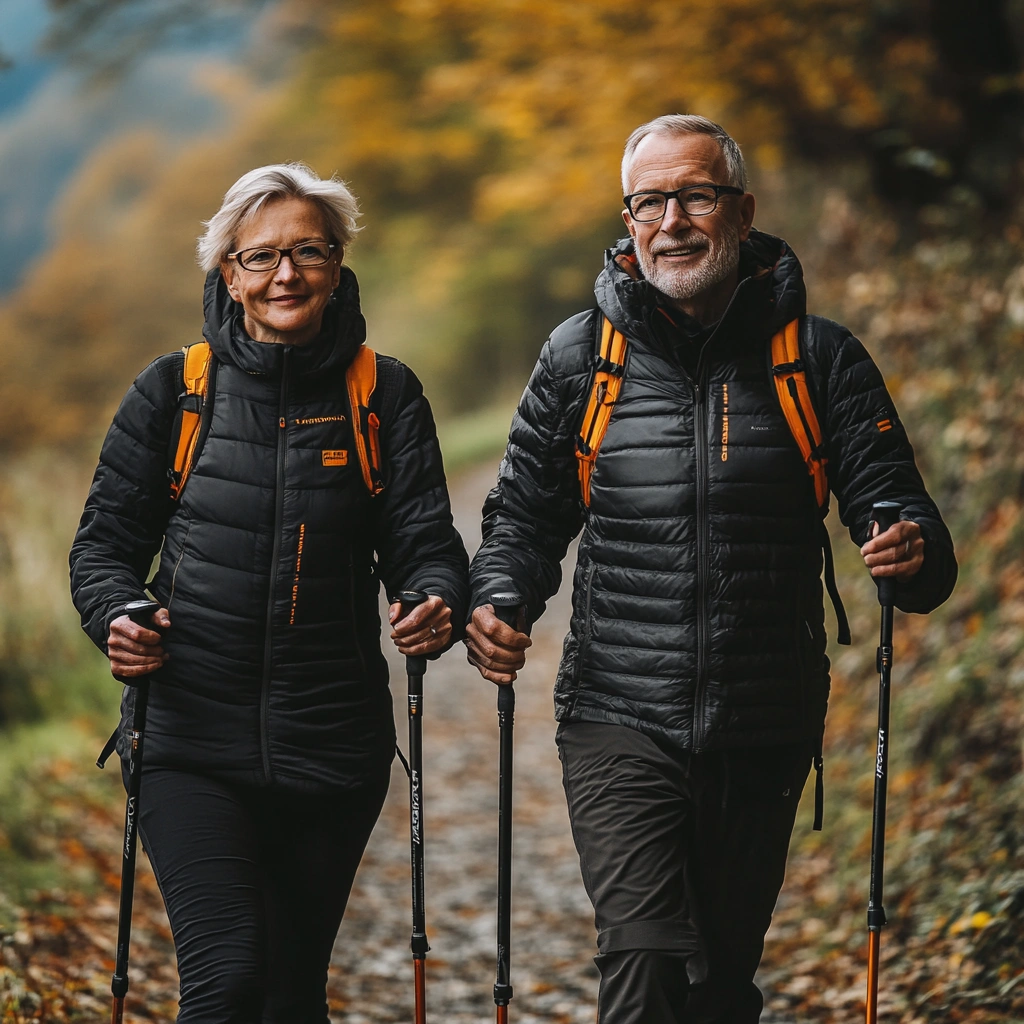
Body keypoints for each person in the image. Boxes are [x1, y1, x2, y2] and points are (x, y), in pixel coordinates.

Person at [464, 115, 957, 1022]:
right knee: (646, 958)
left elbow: (904, 514)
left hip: (762, 718)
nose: (672, 220)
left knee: (718, 985)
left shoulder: (819, 357)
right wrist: (499, 595)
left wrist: (909, 550)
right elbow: (524, 515)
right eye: (649, 201)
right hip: (615, 711)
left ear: (742, 211)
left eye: (695, 195)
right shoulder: (583, 356)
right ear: (628, 217)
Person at [70, 162, 469, 1022]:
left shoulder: (382, 393)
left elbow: (426, 546)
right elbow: (102, 548)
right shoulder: (173, 392)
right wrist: (119, 613)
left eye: (307, 252)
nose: (285, 274)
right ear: (228, 275)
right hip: (188, 741)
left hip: (333, 748)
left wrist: (434, 601)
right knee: (226, 985)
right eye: (260, 258)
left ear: (337, 266)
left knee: (292, 997)